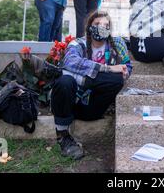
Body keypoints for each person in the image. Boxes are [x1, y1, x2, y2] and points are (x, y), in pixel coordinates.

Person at [50, 10, 132, 159]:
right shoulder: (78, 43)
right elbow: (70, 61)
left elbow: (127, 66)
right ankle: (63, 136)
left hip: (92, 107)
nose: (101, 27)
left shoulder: (117, 43)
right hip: (71, 100)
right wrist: (107, 69)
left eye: (106, 25)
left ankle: (82, 80)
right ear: (89, 26)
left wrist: (125, 71)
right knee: (64, 81)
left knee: (116, 79)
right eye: (97, 24)